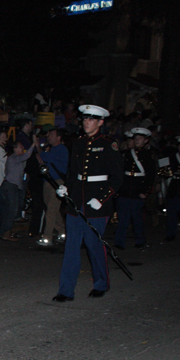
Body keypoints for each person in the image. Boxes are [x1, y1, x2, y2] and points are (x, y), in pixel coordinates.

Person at [53, 105, 123, 302]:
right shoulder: (79, 143)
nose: (86, 122)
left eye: (91, 119)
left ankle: (101, 283)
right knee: (71, 246)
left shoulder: (109, 144)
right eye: (84, 119)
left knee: (94, 245)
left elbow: (117, 178)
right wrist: (65, 188)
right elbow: (74, 171)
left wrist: (102, 199)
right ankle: (66, 290)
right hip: (77, 199)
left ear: (100, 122)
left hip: (96, 201)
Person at [114, 127, 156, 250]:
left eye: (140, 138)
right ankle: (119, 241)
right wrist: (118, 189)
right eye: (136, 138)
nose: (137, 140)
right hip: (125, 189)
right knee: (122, 218)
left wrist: (145, 191)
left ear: (145, 141)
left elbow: (151, 175)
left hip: (138, 189)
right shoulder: (126, 154)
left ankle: (140, 240)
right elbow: (120, 172)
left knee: (137, 218)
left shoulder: (148, 155)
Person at [35, 126, 69, 246]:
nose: (49, 137)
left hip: (57, 182)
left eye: (51, 135)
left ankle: (47, 237)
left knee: (51, 209)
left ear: (58, 137)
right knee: (52, 209)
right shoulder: (53, 150)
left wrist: (37, 145)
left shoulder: (62, 149)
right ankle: (63, 231)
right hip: (48, 182)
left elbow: (44, 156)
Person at [0, 139, 34, 241]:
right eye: (20, 146)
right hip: (10, 187)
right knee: (11, 211)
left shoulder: (14, 159)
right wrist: (33, 144)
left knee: (8, 211)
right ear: (15, 148)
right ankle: (6, 233)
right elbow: (27, 155)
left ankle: (4, 232)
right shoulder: (14, 158)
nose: (23, 148)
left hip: (10, 186)